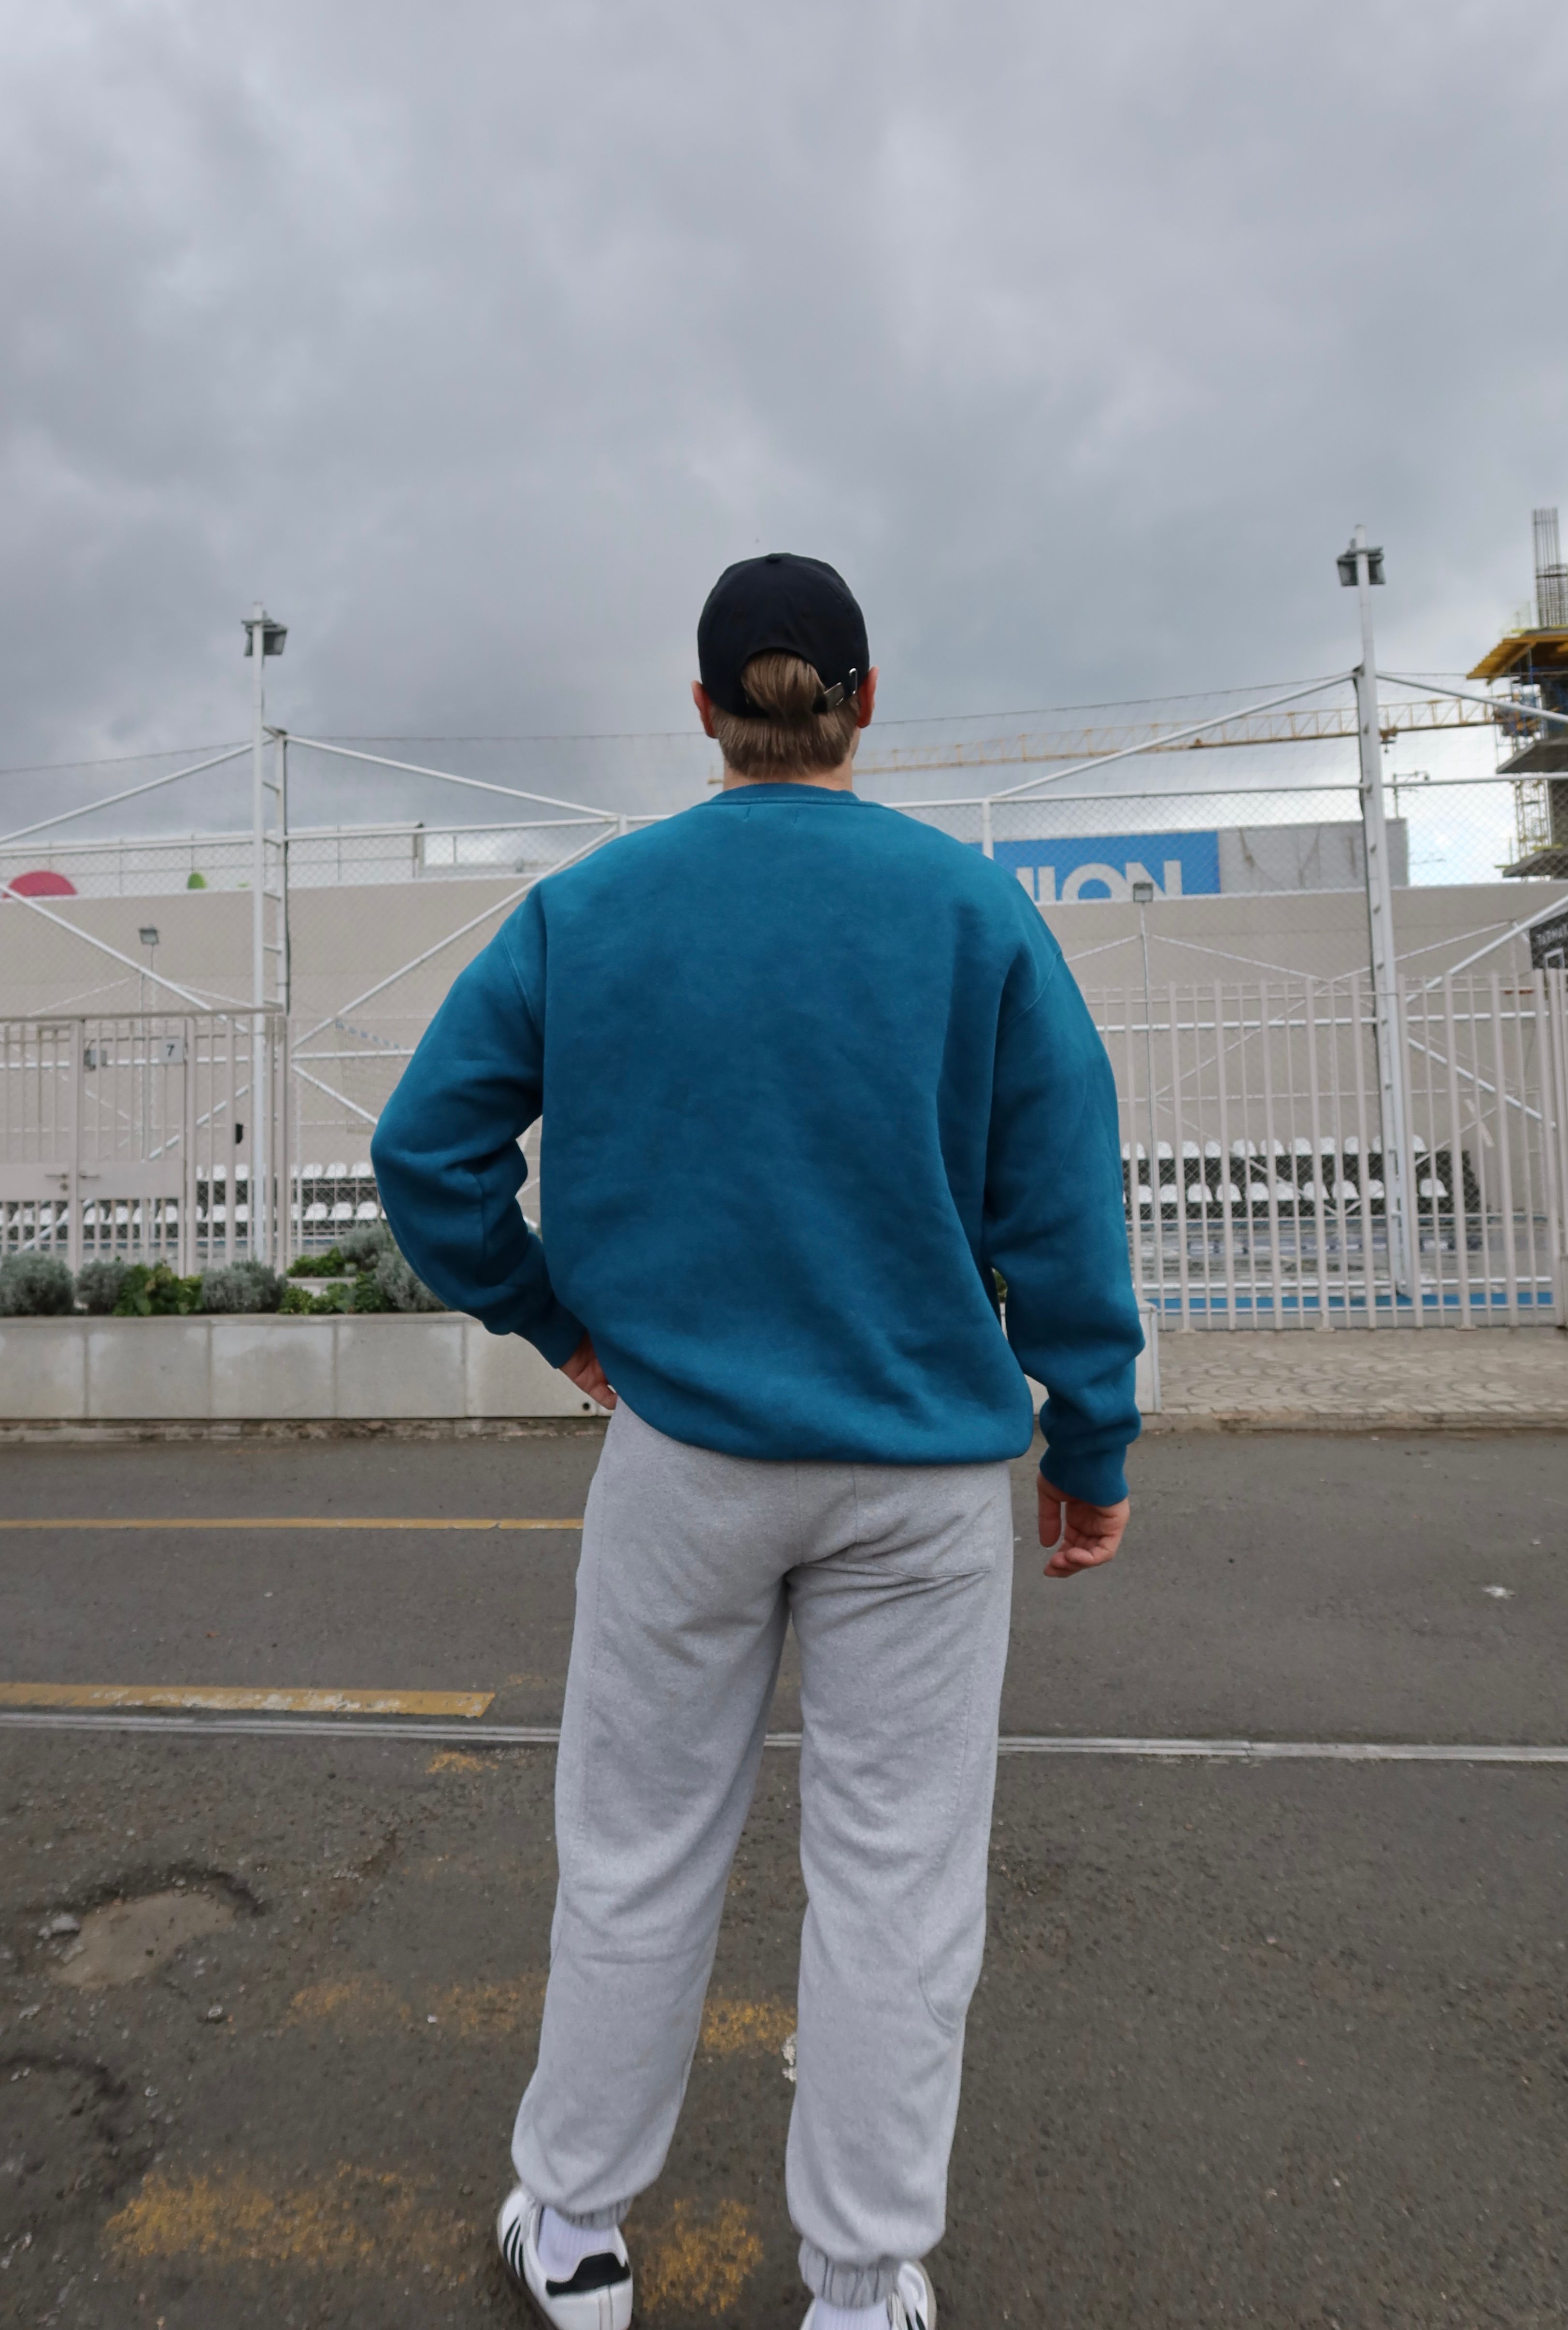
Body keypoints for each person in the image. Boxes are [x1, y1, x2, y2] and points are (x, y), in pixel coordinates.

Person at [372, 552, 1141, 2330]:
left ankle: (571, 2235)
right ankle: (864, 2284)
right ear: (865, 706)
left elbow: (429, 1159)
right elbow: (1065, 1208)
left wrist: (558, 1320)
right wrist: (1088, 1442)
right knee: (896, 1886)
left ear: (707, 712)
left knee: (638, 1849)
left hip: (687, 1462)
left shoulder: (593, 907)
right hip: (928, 1478)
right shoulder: (972, 913)